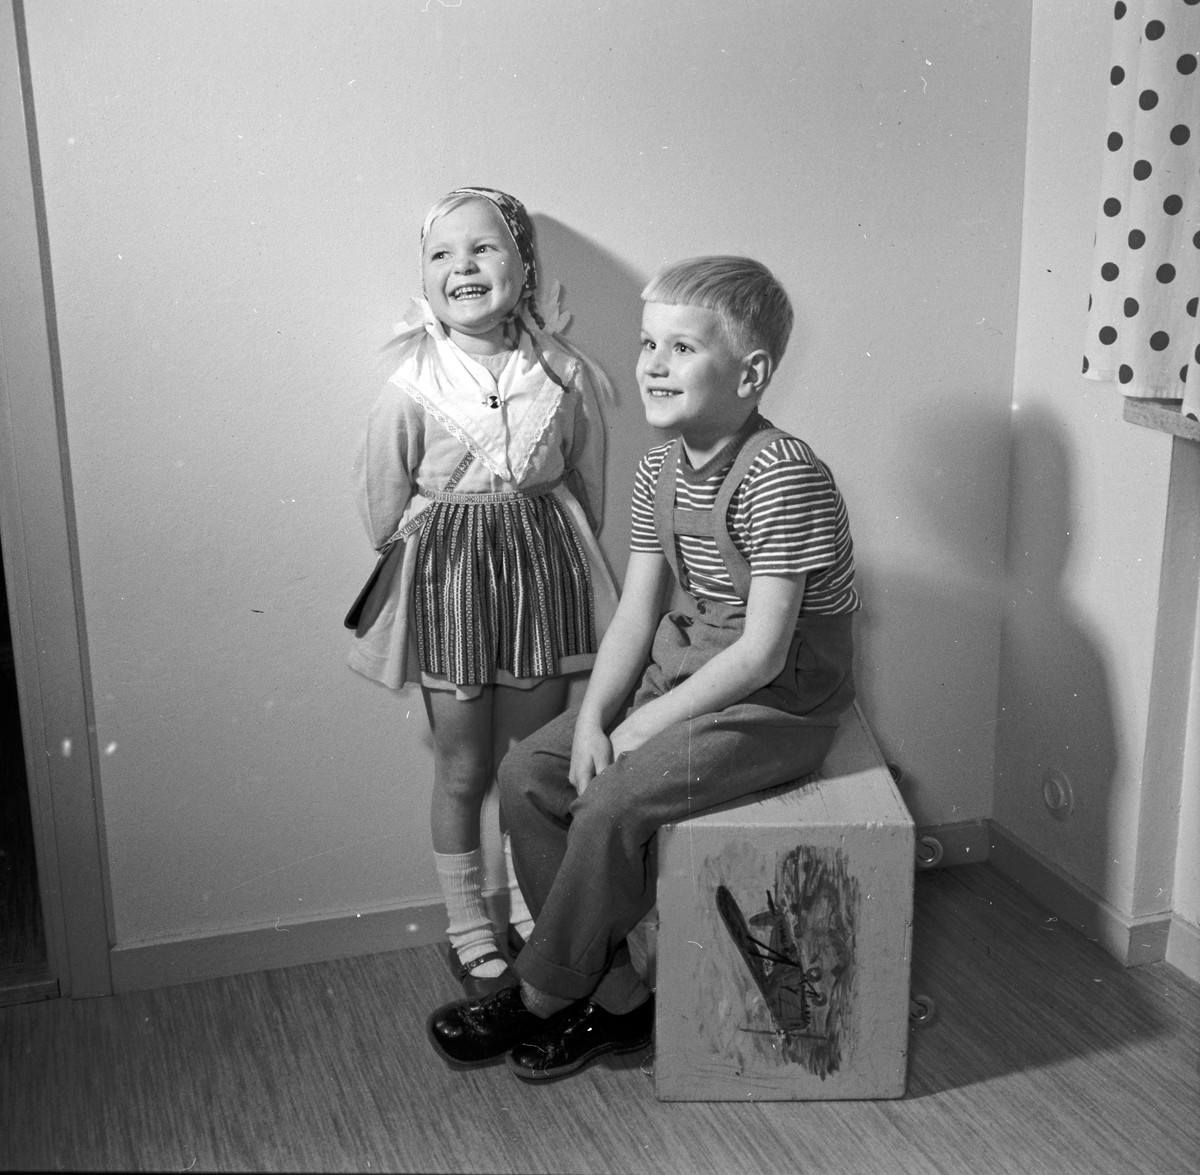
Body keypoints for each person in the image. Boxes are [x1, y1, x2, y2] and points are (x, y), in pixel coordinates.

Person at [427, 255, 859, 1081]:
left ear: (750, 374)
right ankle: (618, 996)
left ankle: (542, 990)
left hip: (778, 700)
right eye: (647, 343)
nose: (654, 364)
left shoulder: (783, 474)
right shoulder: (660, 469)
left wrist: (642, 728)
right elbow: (636, 612)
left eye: (682, 348)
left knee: (614, 798)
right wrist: (597, 718)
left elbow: (764, 651)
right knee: (528, 774)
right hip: (688, 669)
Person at [348, 187, 618, 998]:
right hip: (453, 583)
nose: (462, 266)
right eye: (442, 254)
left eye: (484, 248)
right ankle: (469, 926)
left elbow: (589, 482)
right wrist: (448, 544)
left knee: (529, 764)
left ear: (523, 267)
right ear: (424, 278)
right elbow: (381, 505)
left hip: (540, 580)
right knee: (463, 767)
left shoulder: (562, 374)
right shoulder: (413, 385)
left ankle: (535, 912)